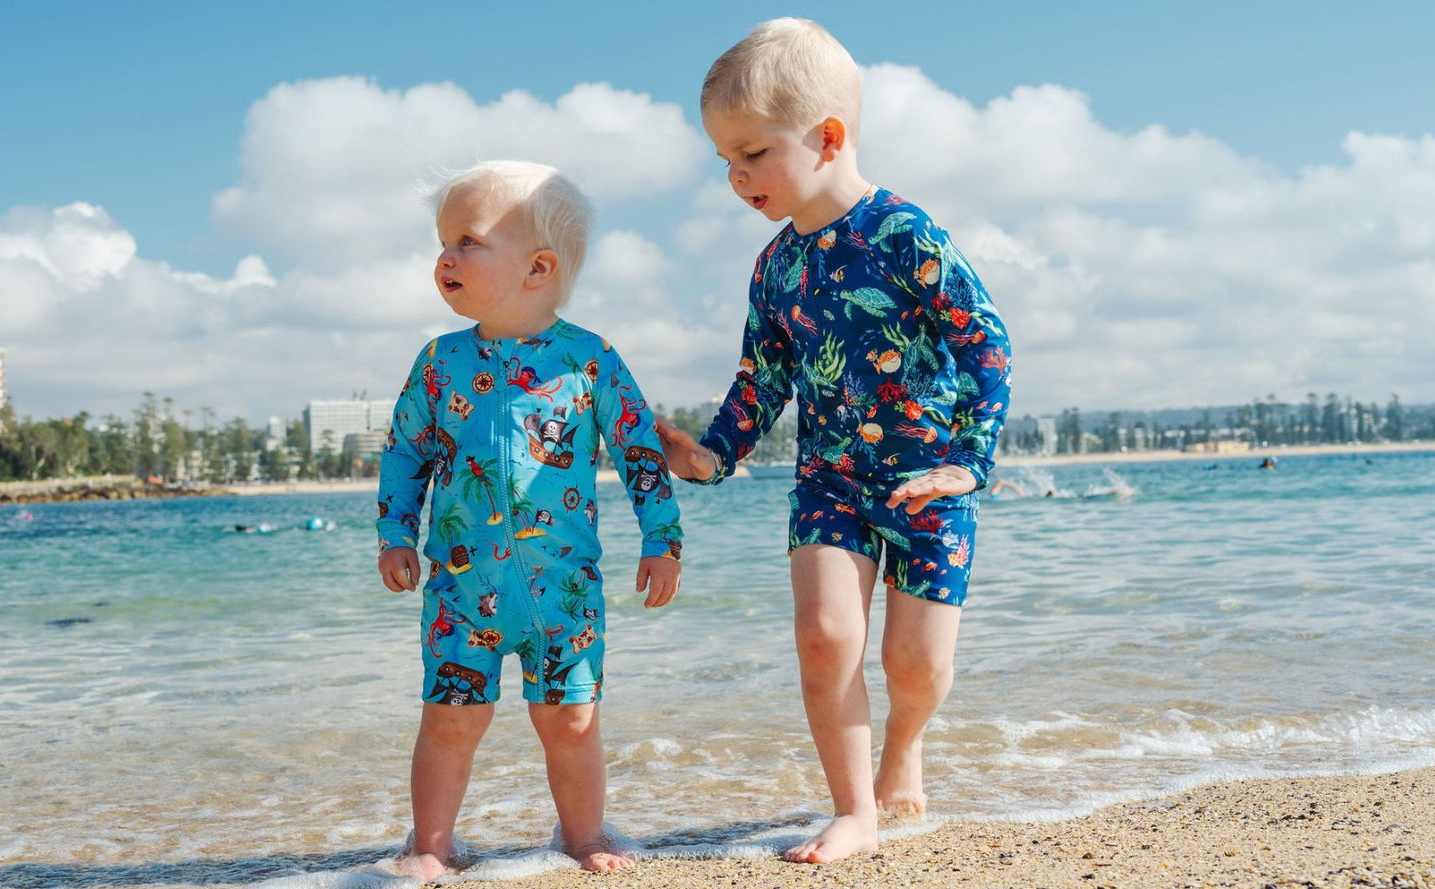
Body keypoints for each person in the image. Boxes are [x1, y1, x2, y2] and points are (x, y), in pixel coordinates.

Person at [654, 19, 1011, 865]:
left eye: (753, 152)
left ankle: (904, 746)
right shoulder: (775, 267)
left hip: (928, 482)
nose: (737, 176)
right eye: (725, 160)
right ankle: (855, 809)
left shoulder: (906, 234)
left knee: (915, 665)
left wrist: (969, 463)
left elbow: (986, 343)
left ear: (828, 137)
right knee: (823, 634)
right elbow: (762, 379)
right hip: (829, 483)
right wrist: (712, 454)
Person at [376, 161, 685, 881]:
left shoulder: (588, 358)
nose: (445, 257)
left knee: (571, 721)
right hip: (461, 589)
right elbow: (405, 452)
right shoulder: (439, 362)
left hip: (564, 591)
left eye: (467, 241)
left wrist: (662, 538)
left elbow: (639, 449)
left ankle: (583, 835)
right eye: (442, 242)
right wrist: (395, 534)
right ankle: (431, 846)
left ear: (538, 267)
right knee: (450, 720)